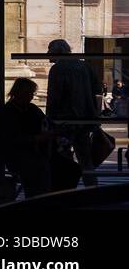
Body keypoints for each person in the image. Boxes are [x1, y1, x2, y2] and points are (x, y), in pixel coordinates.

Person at [0, 78, 61, 200]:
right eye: (29, 93)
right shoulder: (7, 112)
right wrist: (37, 138)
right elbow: (12, 139)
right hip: (19, 155)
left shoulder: (31, 109)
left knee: (66, 167)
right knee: (39, 171)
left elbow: (46, 123)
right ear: (20, 93)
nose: (31, 96)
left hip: (35, 153)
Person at [45, 39, 97, 173]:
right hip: (83, 120)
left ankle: (66, 189)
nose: (47, 53)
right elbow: (96, 90)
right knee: (85, 160)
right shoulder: (83, 66)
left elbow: (54, 97)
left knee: (63, 158)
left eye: (50, 49)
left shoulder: (57, 69)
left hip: (64, 121)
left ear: (58, 51)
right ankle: (91, 188)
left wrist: (49, 120)